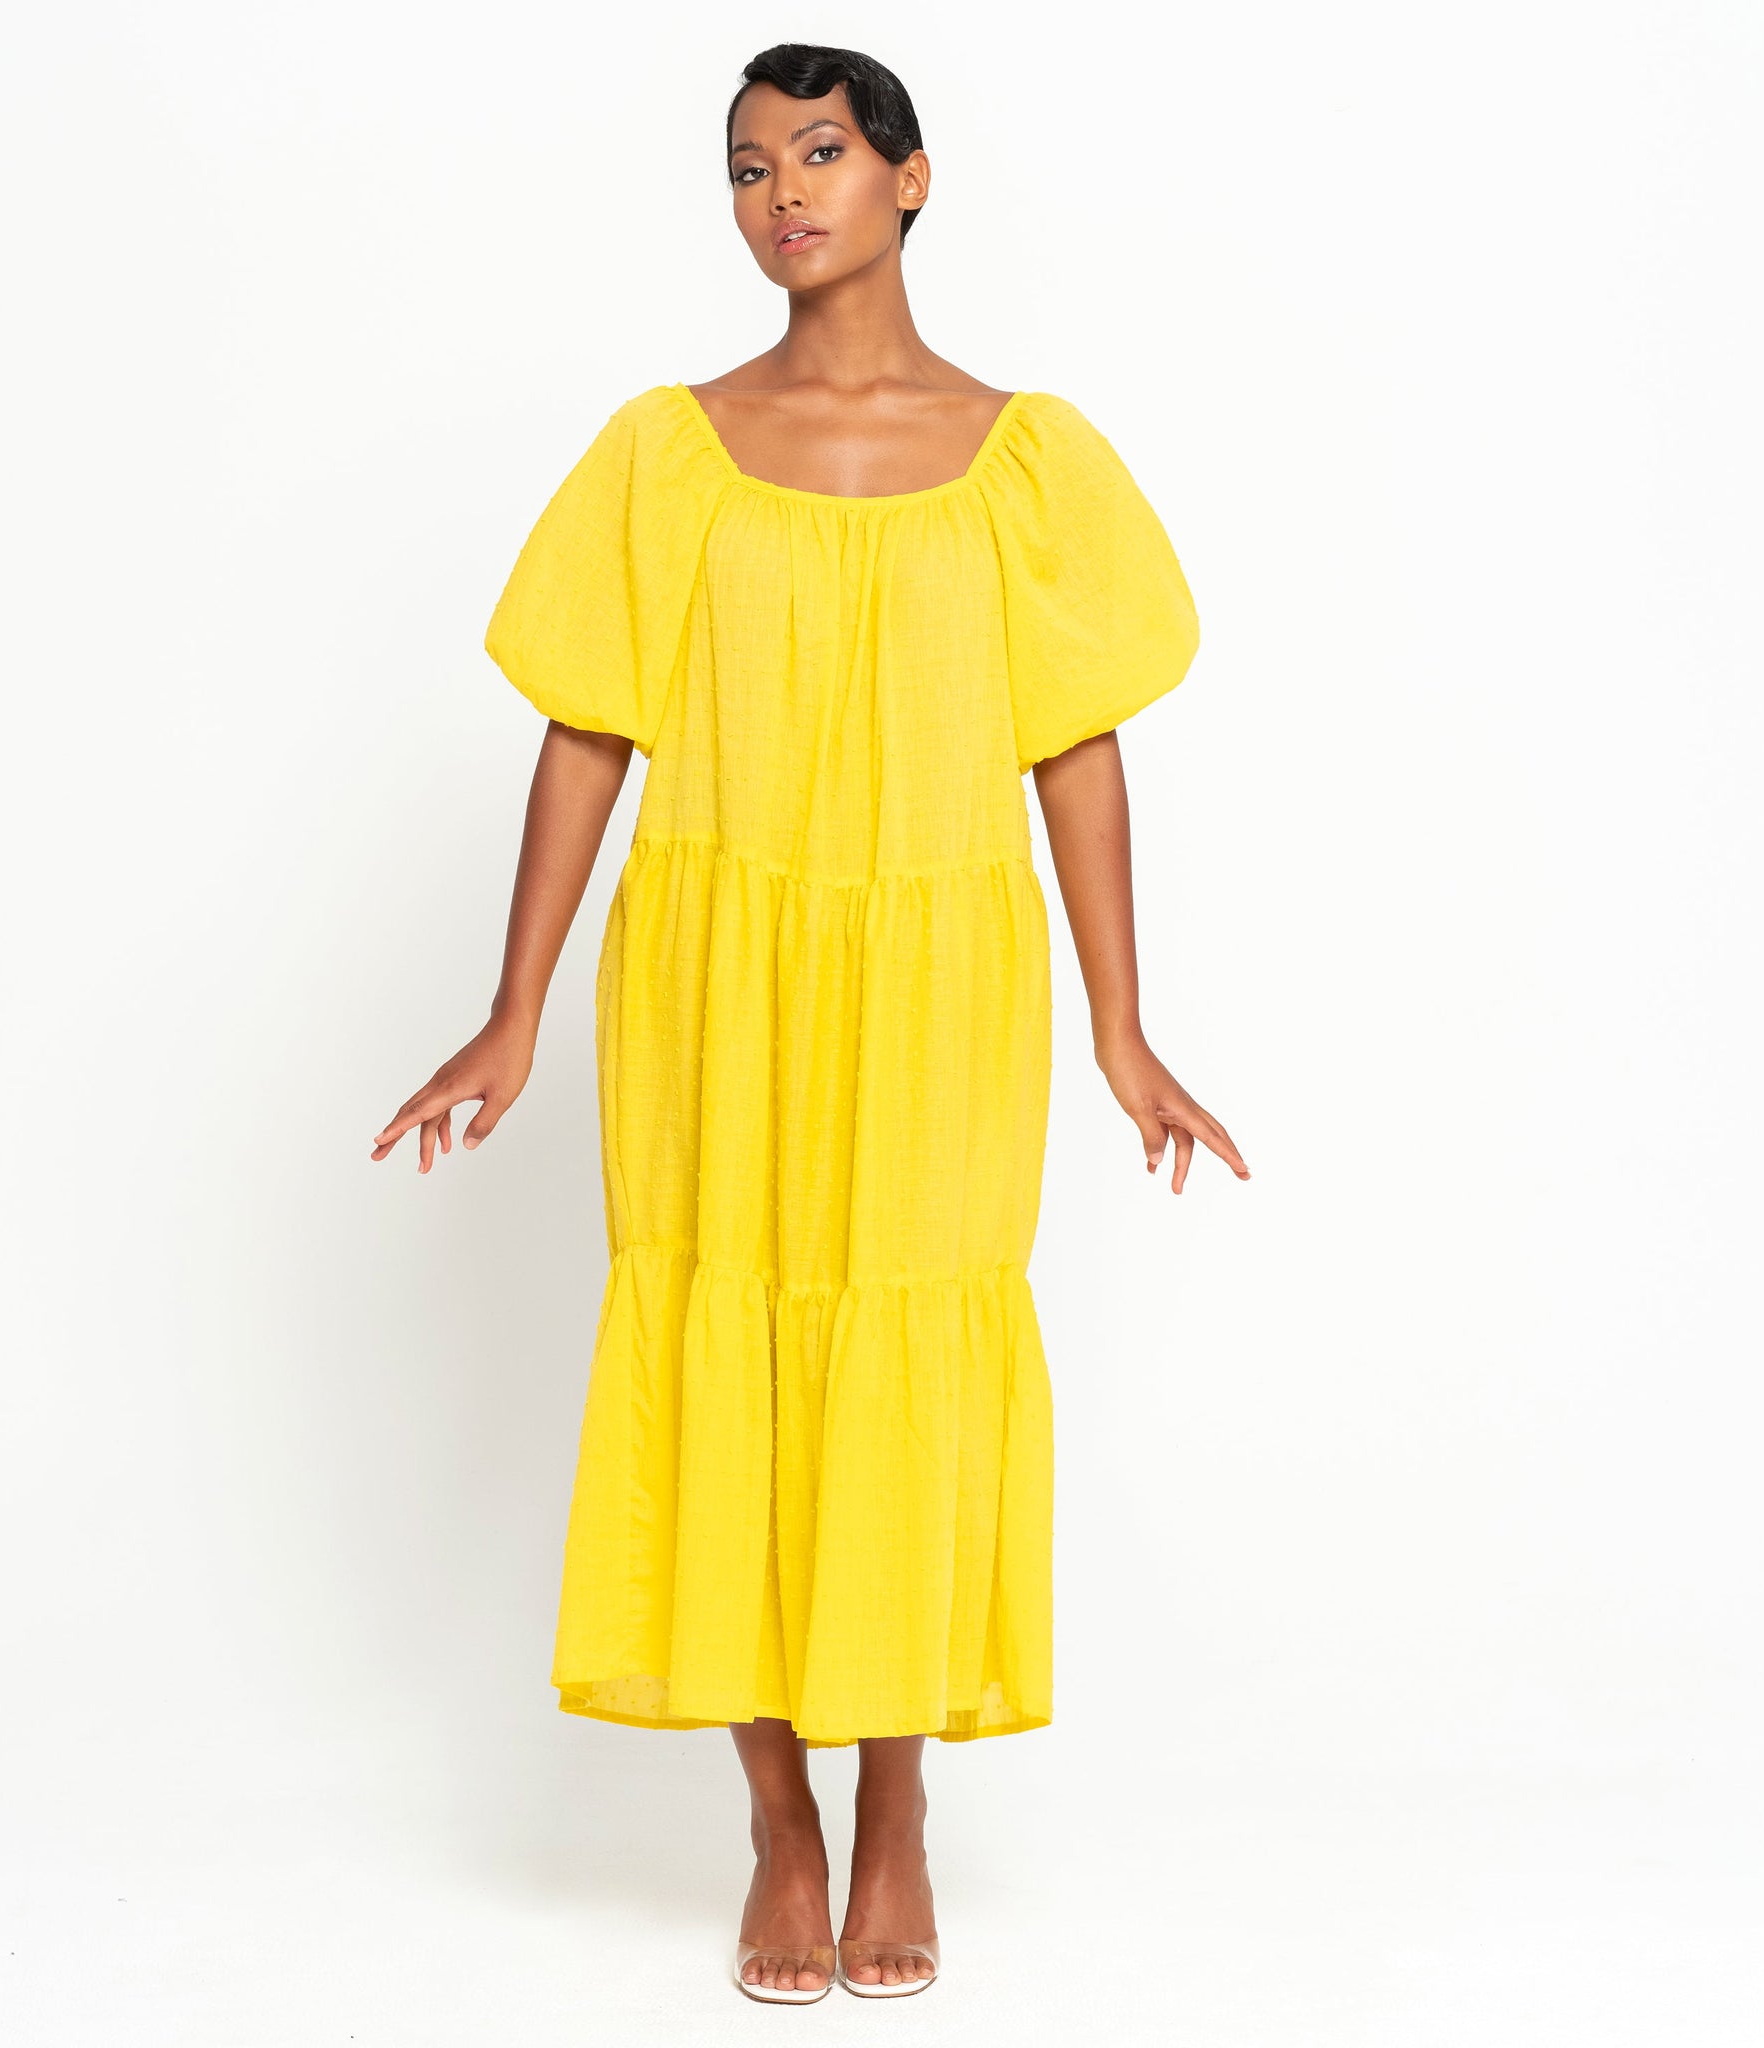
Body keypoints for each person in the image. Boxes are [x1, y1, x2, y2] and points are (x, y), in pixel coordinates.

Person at [372, 41, 1249, 2005]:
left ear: (910, 177)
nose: (783, 194)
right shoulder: (665, 451)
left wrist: (1122, 1028)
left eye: (823, 153)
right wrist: (512, 1009)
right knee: (735, 1330)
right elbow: (587, 727)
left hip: (941, 971)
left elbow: (1076, 750)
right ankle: (778, 1819)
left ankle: (898, 1798)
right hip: (715, 962)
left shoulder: (1026, 458)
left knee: (906, 1331)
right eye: (749, 165)